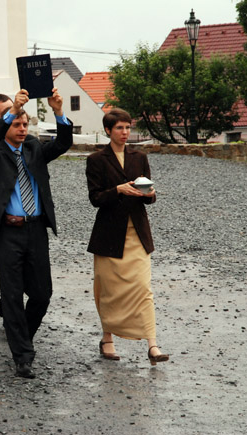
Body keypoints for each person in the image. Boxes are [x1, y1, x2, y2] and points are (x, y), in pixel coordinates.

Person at [0, 88, 73, 379]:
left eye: (25, 124)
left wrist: (58, 111)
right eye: (16, 124)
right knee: (11, 295)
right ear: (6, 125)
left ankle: (23, 338)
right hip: (8, 231)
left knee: (42, 294)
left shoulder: (33, 148)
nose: (22, 129)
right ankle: (22, 356)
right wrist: (10, 112)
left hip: (36, 228)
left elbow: (63, 143)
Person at [85, 108, 169, 366]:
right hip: (109, 235)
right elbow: (95, 198)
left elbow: (150, 195)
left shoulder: (139, 157)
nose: (125, 132)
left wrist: (149, 194)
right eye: (120, 128)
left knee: (143, 288)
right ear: (108, 130)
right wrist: (118, 190)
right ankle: (107, 338)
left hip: (137, 234)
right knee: (109, 291)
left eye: (128, 127)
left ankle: (152, 345)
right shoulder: (96, 160)